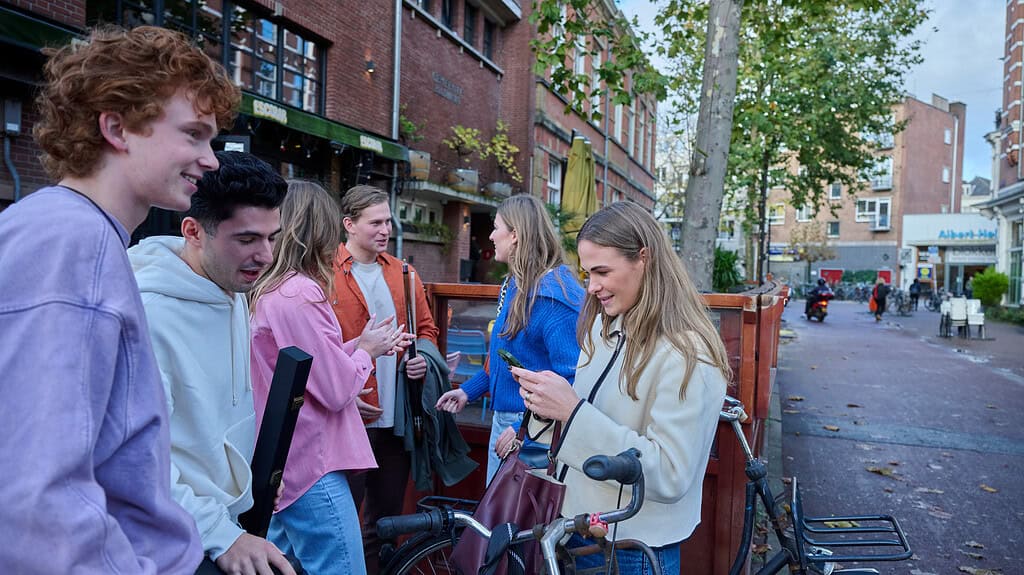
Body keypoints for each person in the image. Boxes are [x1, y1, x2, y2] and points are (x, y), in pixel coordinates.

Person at [0, 26, 237, 574]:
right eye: (194, 134)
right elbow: (36, 499)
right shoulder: (72, 243)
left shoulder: (64, 231)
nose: (211, 159)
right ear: (116, 128)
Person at [507, 202, 731, 575]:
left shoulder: (689, 353)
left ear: (644, 258)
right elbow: (585, 426)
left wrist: (571, 413)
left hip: (632, 547)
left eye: (602, 272)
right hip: (578, 528)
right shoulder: (603, 327)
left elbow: (671, 473)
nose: (591, 287)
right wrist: (544, 409)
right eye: (587, 273)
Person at [128, 151, 295, 575]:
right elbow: (134, 460)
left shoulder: (229, 287)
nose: (266, 255)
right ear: (193, 231)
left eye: (271, 237)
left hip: (221, 523)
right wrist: (220, 534)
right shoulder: (147, 317)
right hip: (170, 543)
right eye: (247, 239)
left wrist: (248, 484)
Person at [250, 181, 410, 574]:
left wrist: (360, 344)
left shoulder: (268, 290)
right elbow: (336, 389)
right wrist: (367, 353)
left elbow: (307, 362)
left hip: (283, 459)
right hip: (311, 462)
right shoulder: (301, 294)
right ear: (319, 230)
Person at [436, 194, 584, 483]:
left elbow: (574, 380)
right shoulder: (517, 285)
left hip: (532, 433)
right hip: (511, 424)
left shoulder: (553, 299)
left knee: (512, 512)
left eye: (496, 228)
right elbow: (508, 358)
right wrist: (468, 391)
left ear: (515, 235)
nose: (490, 236)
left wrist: (523, 428)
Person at [330, 184, 440, 571]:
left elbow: (426, 331)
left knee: (388, 521)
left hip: (397, 417)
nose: (385, 230)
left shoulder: (404, 273)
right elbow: (319, 345)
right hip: (349, 414)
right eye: (375, 222)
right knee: (341, 523)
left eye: (388, 221)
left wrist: (421, 359)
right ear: (349, 224)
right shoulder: (327, 272)